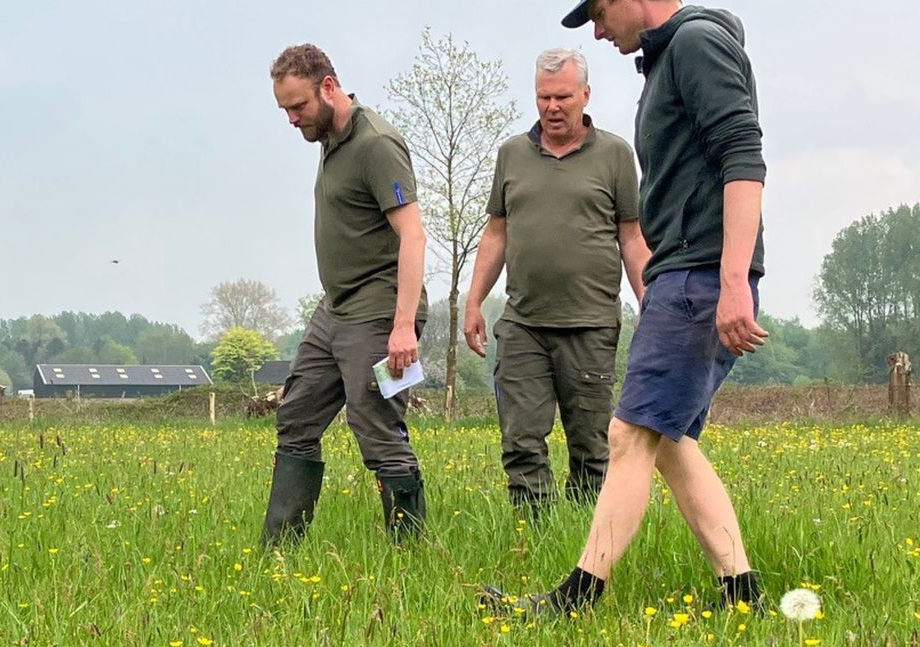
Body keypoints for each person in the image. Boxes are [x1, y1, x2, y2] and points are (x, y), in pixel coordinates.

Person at [485, 0, 770, 614]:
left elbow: (743, 156)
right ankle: (741, 591)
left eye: (599, 9)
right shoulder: (670, 57)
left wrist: (732, 281)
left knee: (629, 434)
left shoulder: (695, 44)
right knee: (665, 439)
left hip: (698, 271)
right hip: (683, 271)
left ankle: (576, 598)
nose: (596, 27)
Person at [465, 48, 650, 517]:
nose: (552, 107)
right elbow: (496, 232)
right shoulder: (512, 154)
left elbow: (632, 238)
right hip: (524, 323)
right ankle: (534, 535)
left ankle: (590, 541)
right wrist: (473, 302)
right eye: (543, 97)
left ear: (585, 95)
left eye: (562, 96)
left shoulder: (614, 155)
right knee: (521, 437)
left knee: (591, 444)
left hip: (590, 326)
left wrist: (651, 303)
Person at [262, 44, 430, 544]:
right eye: (285, 110)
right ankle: (281, 550)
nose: (292, 120)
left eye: (299, 107)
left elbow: (414, 236)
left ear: (329, 88)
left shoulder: (376, 143)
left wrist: (403, 326)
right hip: (335, 309)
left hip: (378, 312)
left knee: (376, 426)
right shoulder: (329, 138)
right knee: (296, 412)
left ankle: (410, 551)